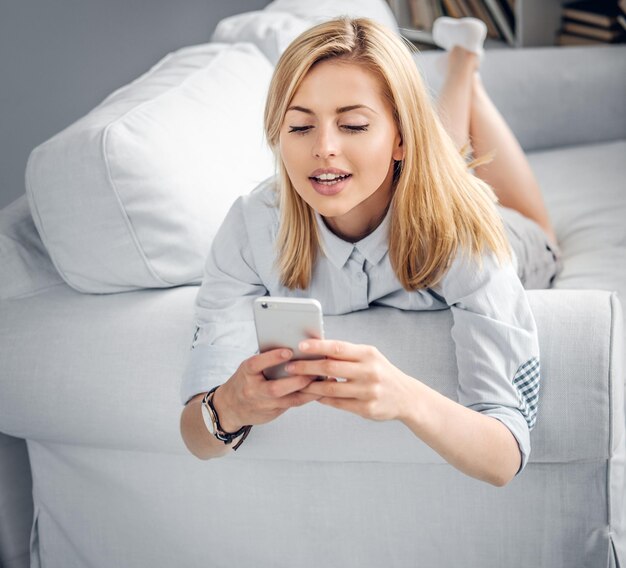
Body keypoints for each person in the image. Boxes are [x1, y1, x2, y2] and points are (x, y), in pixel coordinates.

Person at [179, 16, 561, 487]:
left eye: (353, 125)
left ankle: (464, 65)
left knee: (522, 214)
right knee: (451, 158)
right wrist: (230, 404)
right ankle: (462, 62)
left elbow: (505, 455)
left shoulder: (465, 233)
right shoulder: (252, 226)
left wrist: (405, 397)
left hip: (512, 236)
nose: (324, 148)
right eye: (300, 127)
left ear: (401, 137)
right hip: (419, 183)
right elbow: (194, 438)